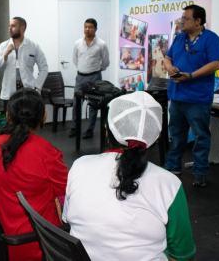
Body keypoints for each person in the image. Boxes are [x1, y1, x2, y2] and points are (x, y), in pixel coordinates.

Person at [63, 91, 195, 261]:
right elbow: (183, 255)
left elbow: (67, 219)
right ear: (157, 136)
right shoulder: (169, 184)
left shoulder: (79, 166)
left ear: (106, 129)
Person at [0, 89, 68, 261]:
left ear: (8, 117)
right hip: (36, 244)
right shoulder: (45, 151)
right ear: (43, 118)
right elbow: (70, 189)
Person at [164, 5, 219, 186]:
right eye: (181, 18)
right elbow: (168, 58)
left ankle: (200, 172)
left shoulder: (211, 39)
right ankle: (173, 166)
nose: (181, 21)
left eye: (185, 18)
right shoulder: (180, 37)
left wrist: (190, 76)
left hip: (197, 99)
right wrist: (169, 67)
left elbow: (216, 63)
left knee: (201, 137)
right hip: (177, 96)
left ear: (198, 21)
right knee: (176, 134)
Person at [0, 17, 48, 112]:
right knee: (11, 121)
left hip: (28, 90)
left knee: (27, 120)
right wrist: (5, 55)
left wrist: (37, 86)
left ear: (22, 28)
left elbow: (44, 68)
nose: (9, 28)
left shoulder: (33, 46)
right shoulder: (3, 46)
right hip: (9, 91)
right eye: (9, 26)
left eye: (13, 26)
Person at [69, 18, 110, 139]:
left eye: (90, 27)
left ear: (95, 29)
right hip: (80, 77)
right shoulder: (78, 43)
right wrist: (83, 69)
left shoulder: (101, 44)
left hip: (95, 77)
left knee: (93, 103)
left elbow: (106, 62)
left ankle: (90, 129)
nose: (87, 29)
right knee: (77, 103)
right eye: (85, 26)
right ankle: (74, 127)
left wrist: (97, 70)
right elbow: (75, 59)